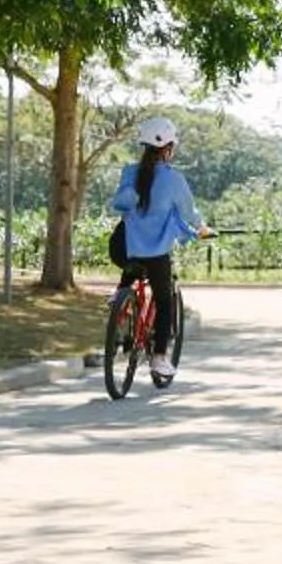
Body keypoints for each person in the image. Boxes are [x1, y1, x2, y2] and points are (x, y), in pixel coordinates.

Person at [109, 118, 207, 381]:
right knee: (164, 302)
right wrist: (202, 228)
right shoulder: (174, 179)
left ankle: (120, 300)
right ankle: (160, 358)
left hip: (123, 248)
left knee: (131, 268)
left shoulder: (130, 171)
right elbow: (189, 212)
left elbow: (120, 204)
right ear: (169, 147)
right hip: (155, 253)